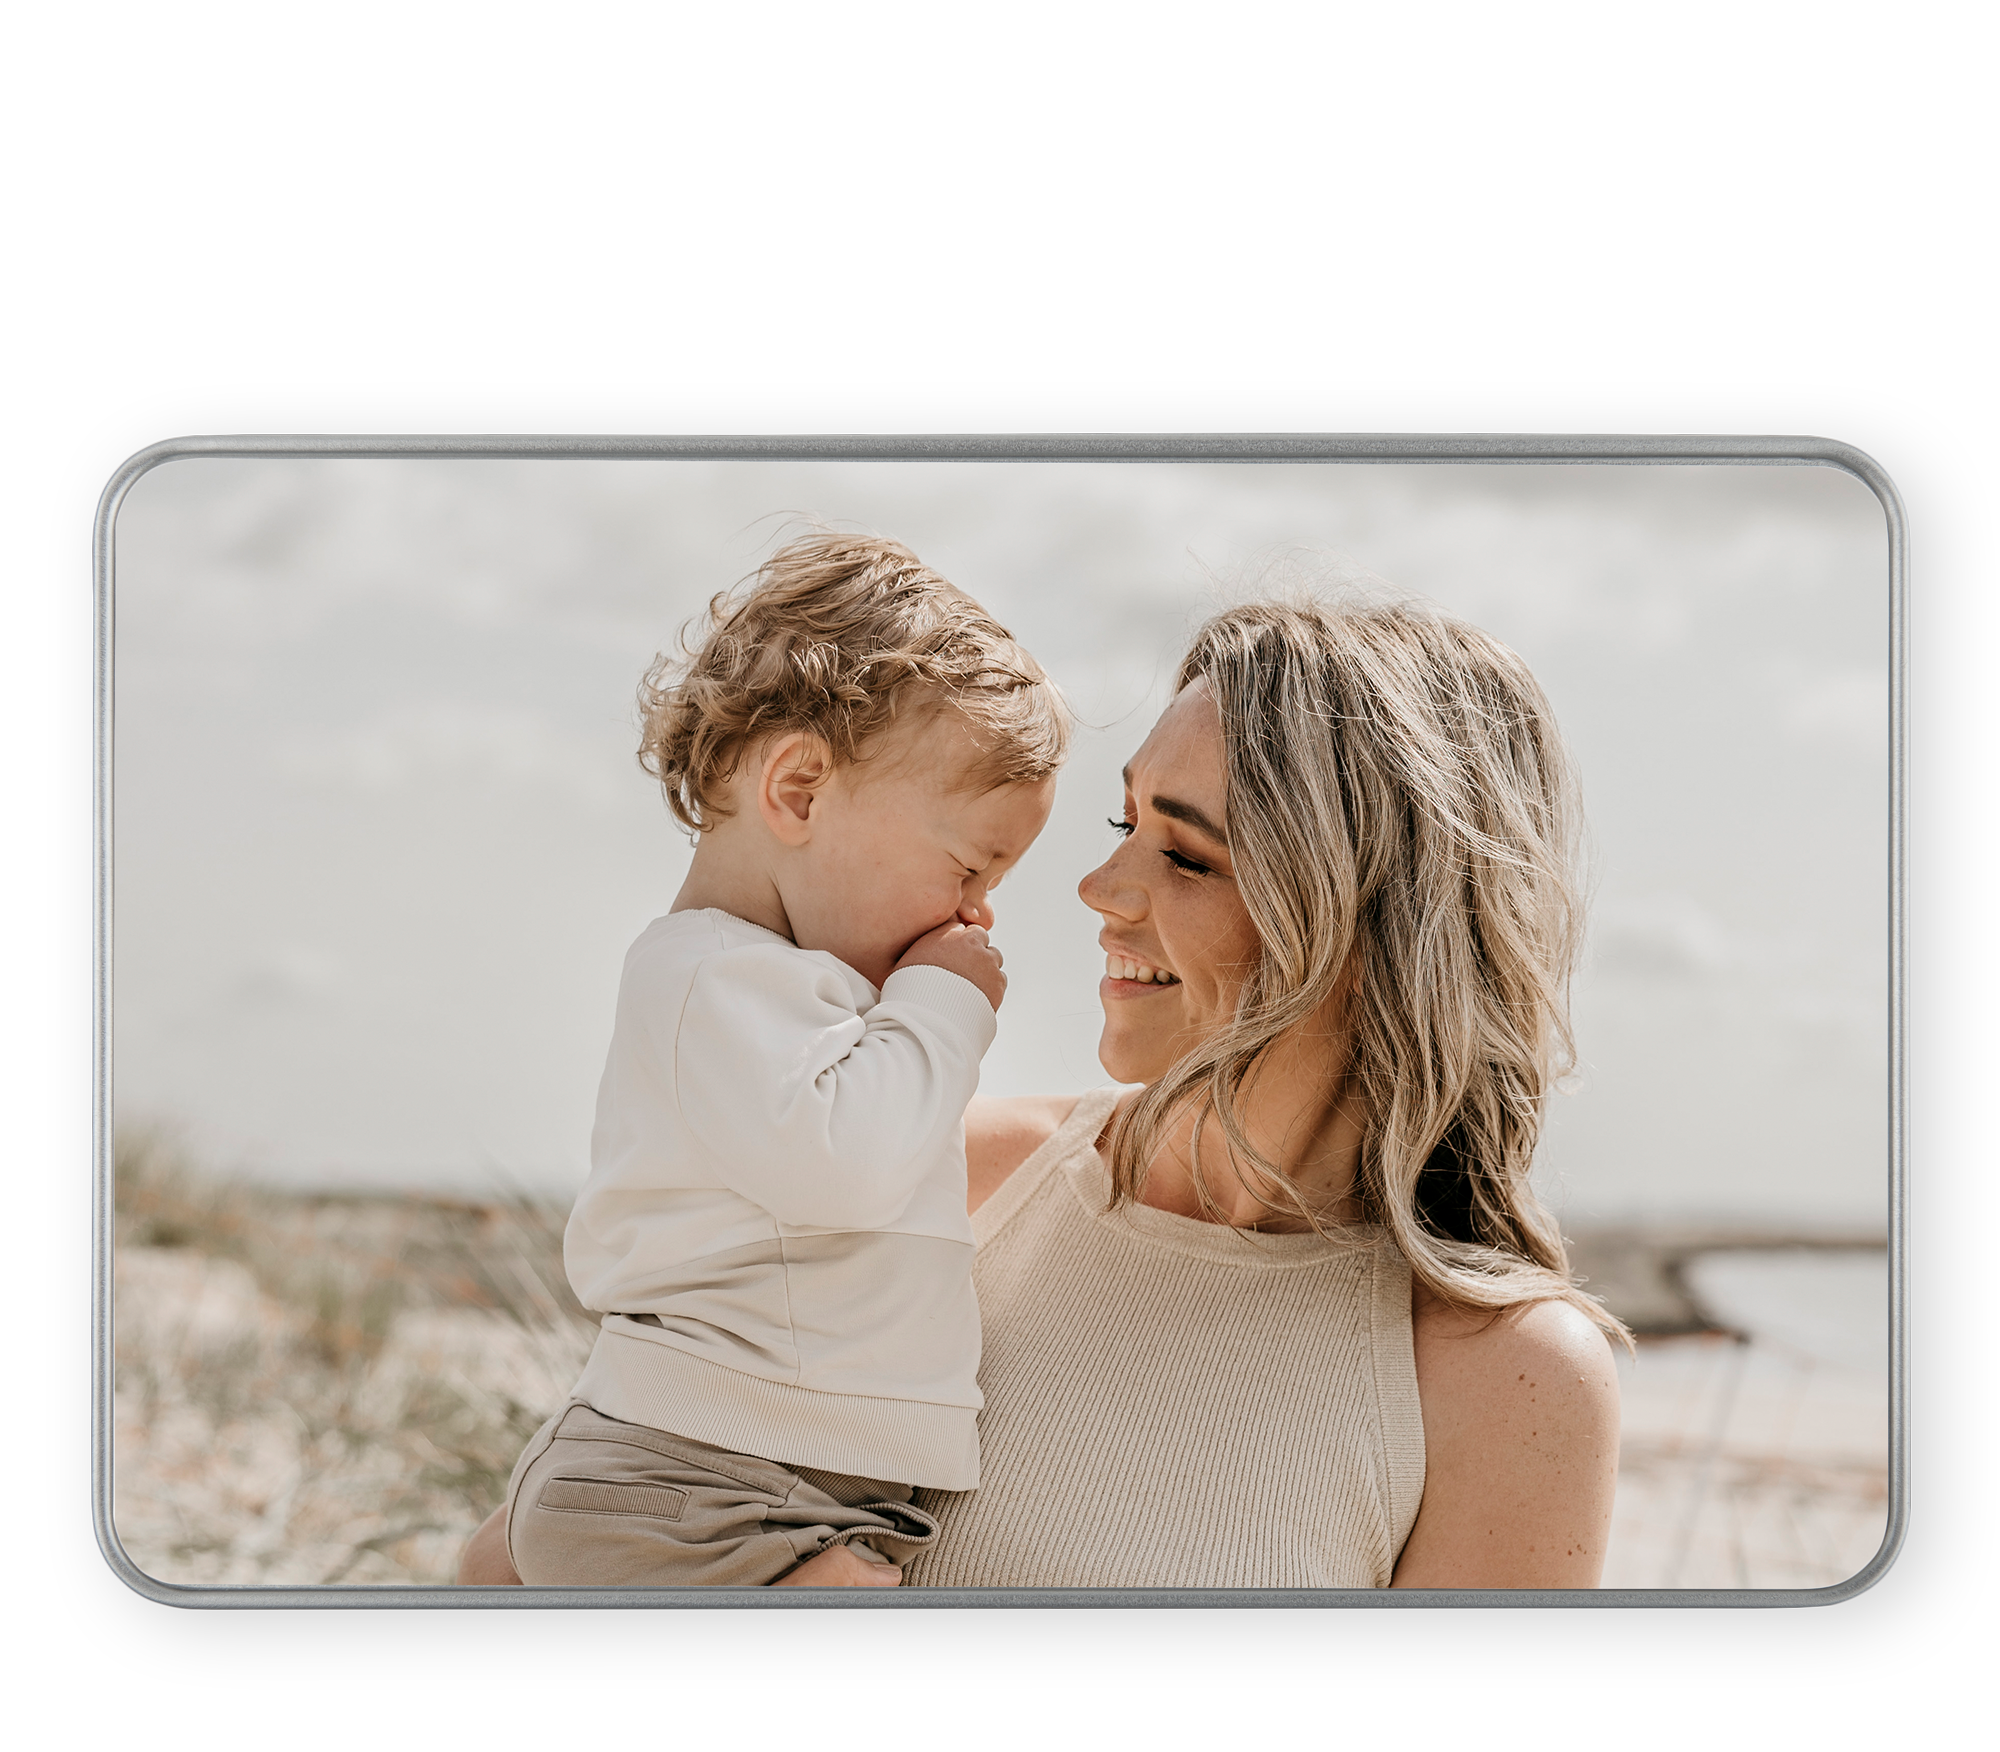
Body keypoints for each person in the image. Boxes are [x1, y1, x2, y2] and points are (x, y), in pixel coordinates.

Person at [461, 589, 1624, 1592]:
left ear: (1376, 927)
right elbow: (531, 1549)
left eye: (1183, 852)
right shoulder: (934, 1171)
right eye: (1125, 820)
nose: (1094, 885)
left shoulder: (1509, 1380)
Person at [499, 531, 1067, 1587]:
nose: (977, 909)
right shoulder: (707, 976)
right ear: (799, 790)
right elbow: (842, 1164)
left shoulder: (789, 990)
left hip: (776, 1479)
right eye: (968, 864)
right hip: (697, 1485)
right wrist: (943, 1001)